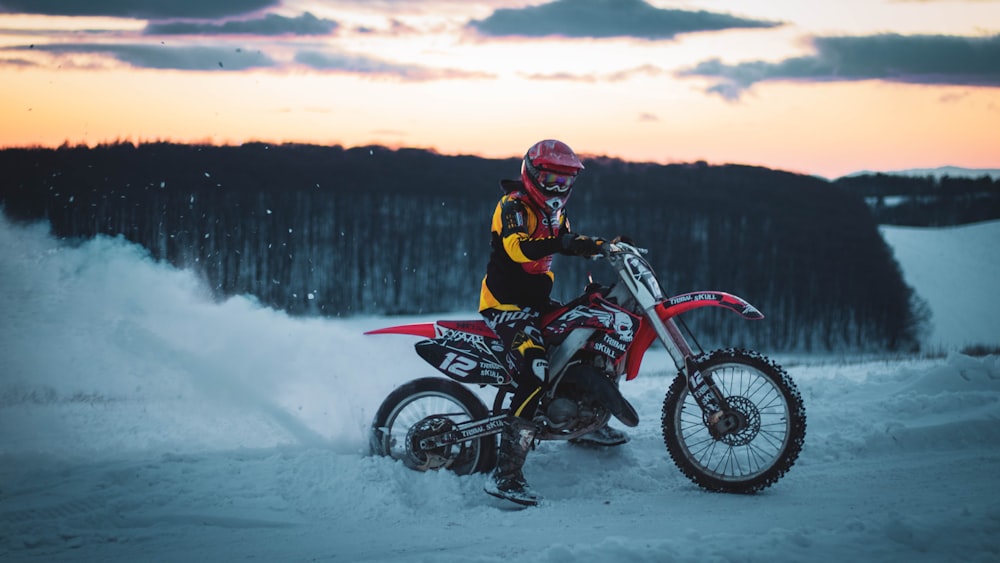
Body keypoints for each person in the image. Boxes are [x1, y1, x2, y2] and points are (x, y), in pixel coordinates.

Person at [480, 139, 628, 506]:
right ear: (531, 173)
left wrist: (602, 246)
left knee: (586, 339)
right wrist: (565, 244)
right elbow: (518, 249)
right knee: (536, 369)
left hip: (537, 302)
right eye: (549, 178)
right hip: (505, 305)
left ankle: (583, 426)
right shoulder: (513, 206)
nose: (556, 187)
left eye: (564, 181)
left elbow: (568, 241)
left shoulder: (557, 213)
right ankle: (506, 475)